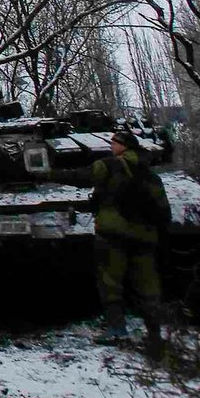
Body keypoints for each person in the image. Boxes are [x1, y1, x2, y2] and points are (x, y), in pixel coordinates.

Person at [59, 128, 165, 356]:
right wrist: (157, 235)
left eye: (113, 142)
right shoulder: (151, 175)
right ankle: (154, 333)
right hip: (144, 237)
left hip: (113, 235)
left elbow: (81, 177)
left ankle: (117, 329)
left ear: (122, 145)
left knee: (110, 281)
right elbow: (163, 211)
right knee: (147, 284)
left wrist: (45, 173)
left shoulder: (108, 165)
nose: (111, 145)